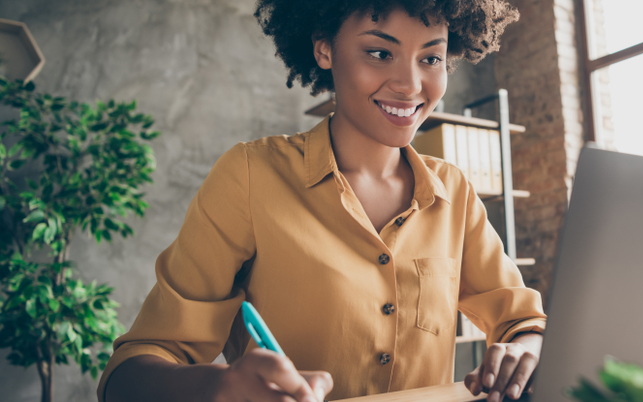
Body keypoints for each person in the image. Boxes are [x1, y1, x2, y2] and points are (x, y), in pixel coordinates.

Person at [98, 1, 546, 401]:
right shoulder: (250, 177)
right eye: (380, 52)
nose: (411, 85)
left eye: (431, 58)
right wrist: (218, 387)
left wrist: (522, 351)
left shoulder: (454, 191)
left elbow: (525, 323)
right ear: (325, 50)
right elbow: (127, 376)